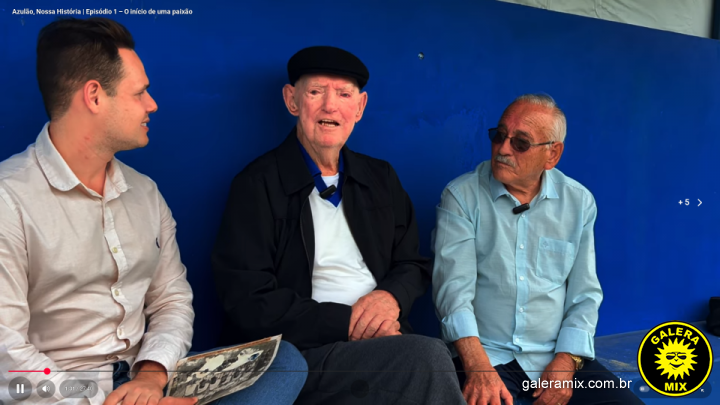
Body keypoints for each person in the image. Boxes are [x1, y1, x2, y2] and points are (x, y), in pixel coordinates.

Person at [0, 17, 306, 405]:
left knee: (284, 363)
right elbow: (7, 357)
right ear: (94, 96)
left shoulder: (144, 192)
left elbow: (171, 300)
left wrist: (152, 375)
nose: (152, 104)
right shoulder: (8, 199)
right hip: (62, 392)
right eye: (140, 92)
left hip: (147, 384)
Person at [212, 45, 465, 405]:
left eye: (344, 95)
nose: (330, 106)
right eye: (316, 92)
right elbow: (248, 299)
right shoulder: (256, 184)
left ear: (359, 107)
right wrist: (348, 323)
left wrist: (389, 298)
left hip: (382, 339)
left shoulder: (380, 178)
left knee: (426, 357)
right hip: (298, 353)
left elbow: (411, 263)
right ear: (292, 100)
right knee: (427, 359)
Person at [432, 94, 643, 405]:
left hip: (553, 355)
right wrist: (477, 367)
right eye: (499, 136)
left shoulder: (578, 202)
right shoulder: (462, 196)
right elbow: (452, 293)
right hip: (486, 355)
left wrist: (566, 361)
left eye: (520, 143)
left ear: (552, 154)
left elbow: (584, 295)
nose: (503, 149)